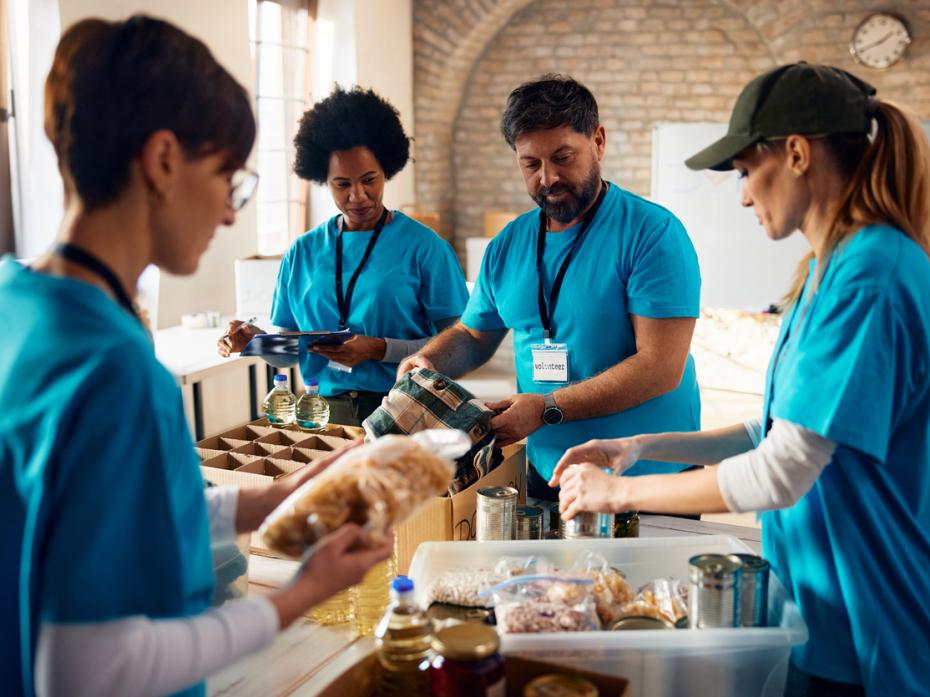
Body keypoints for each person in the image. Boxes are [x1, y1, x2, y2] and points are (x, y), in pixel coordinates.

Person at [0, 16, 391, 697]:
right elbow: (88, 670)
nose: (232, 213)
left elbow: (102, 510)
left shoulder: (15, 302)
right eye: (230, 180)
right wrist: (300, 594)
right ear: (162, 161)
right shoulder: (116, 371)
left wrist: (272, 498)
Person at [550, 63, 930, 697]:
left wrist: (617, 495)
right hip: (817, 600)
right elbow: (772, 428)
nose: (745, 195)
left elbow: (780, 471)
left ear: (798, 153)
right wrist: (640, 450)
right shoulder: (823, 271)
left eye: (748, 170)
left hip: (871, 611)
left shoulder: (872, 275)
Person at [399, 74, 702, 505]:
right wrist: (430, 361)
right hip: (551, 473)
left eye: (563, 157)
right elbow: (472, 336)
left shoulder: (653, 234)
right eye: (531, 164)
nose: (548, 178)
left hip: (649, 477)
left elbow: (660, 366)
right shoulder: (508, 244)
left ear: (597, 141)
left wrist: (545, 407)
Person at [218, 86, 469, 426]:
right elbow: (290, 353)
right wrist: (256, 342)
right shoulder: (302, 252)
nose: (358, 195)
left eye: (369, 180)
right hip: (324, 412)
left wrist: (378, 349)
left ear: (387, 171)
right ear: (323, 179)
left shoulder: (425, 247)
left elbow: (458, 349)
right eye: (342, 184)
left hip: (407, 409)